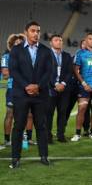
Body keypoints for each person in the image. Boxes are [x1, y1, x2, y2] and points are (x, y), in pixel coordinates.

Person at [8, 21, 54, 168]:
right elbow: (13, 71)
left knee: (41, 126)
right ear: (26, 32)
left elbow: (49, 72)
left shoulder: (46, 51)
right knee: (19, 126)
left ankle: (44, 156)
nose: (36, 34)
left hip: (40, 95)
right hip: (21, 94)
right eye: (33, 31)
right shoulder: (16, 50)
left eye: (38, 31)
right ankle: (15, 158)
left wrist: (38, 86)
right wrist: (26, 86)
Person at [46, 34, 72, 143]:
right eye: (56, 40)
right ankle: (48, 136)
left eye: (60, 40)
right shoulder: (46, 55)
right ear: (51, 43)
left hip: (64, 89)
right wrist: (55, 84)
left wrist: (63, 83)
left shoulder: (67, 55)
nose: (59, 42)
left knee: (62, 112)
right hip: (50, 88)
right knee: (49, 113)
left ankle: (61, 135)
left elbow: (69, 72)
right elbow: (46, 72)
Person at [2, 34, 25, 147]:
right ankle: (7, 139)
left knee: (24, 114)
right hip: (13, 89)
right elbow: (5, 74)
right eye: (16, 43)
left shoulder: (28, 56)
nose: (18, 45)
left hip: (25, 88)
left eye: (20, 43)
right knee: (10, 114)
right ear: (12, 44)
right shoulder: (6, 57)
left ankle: (22, 138)